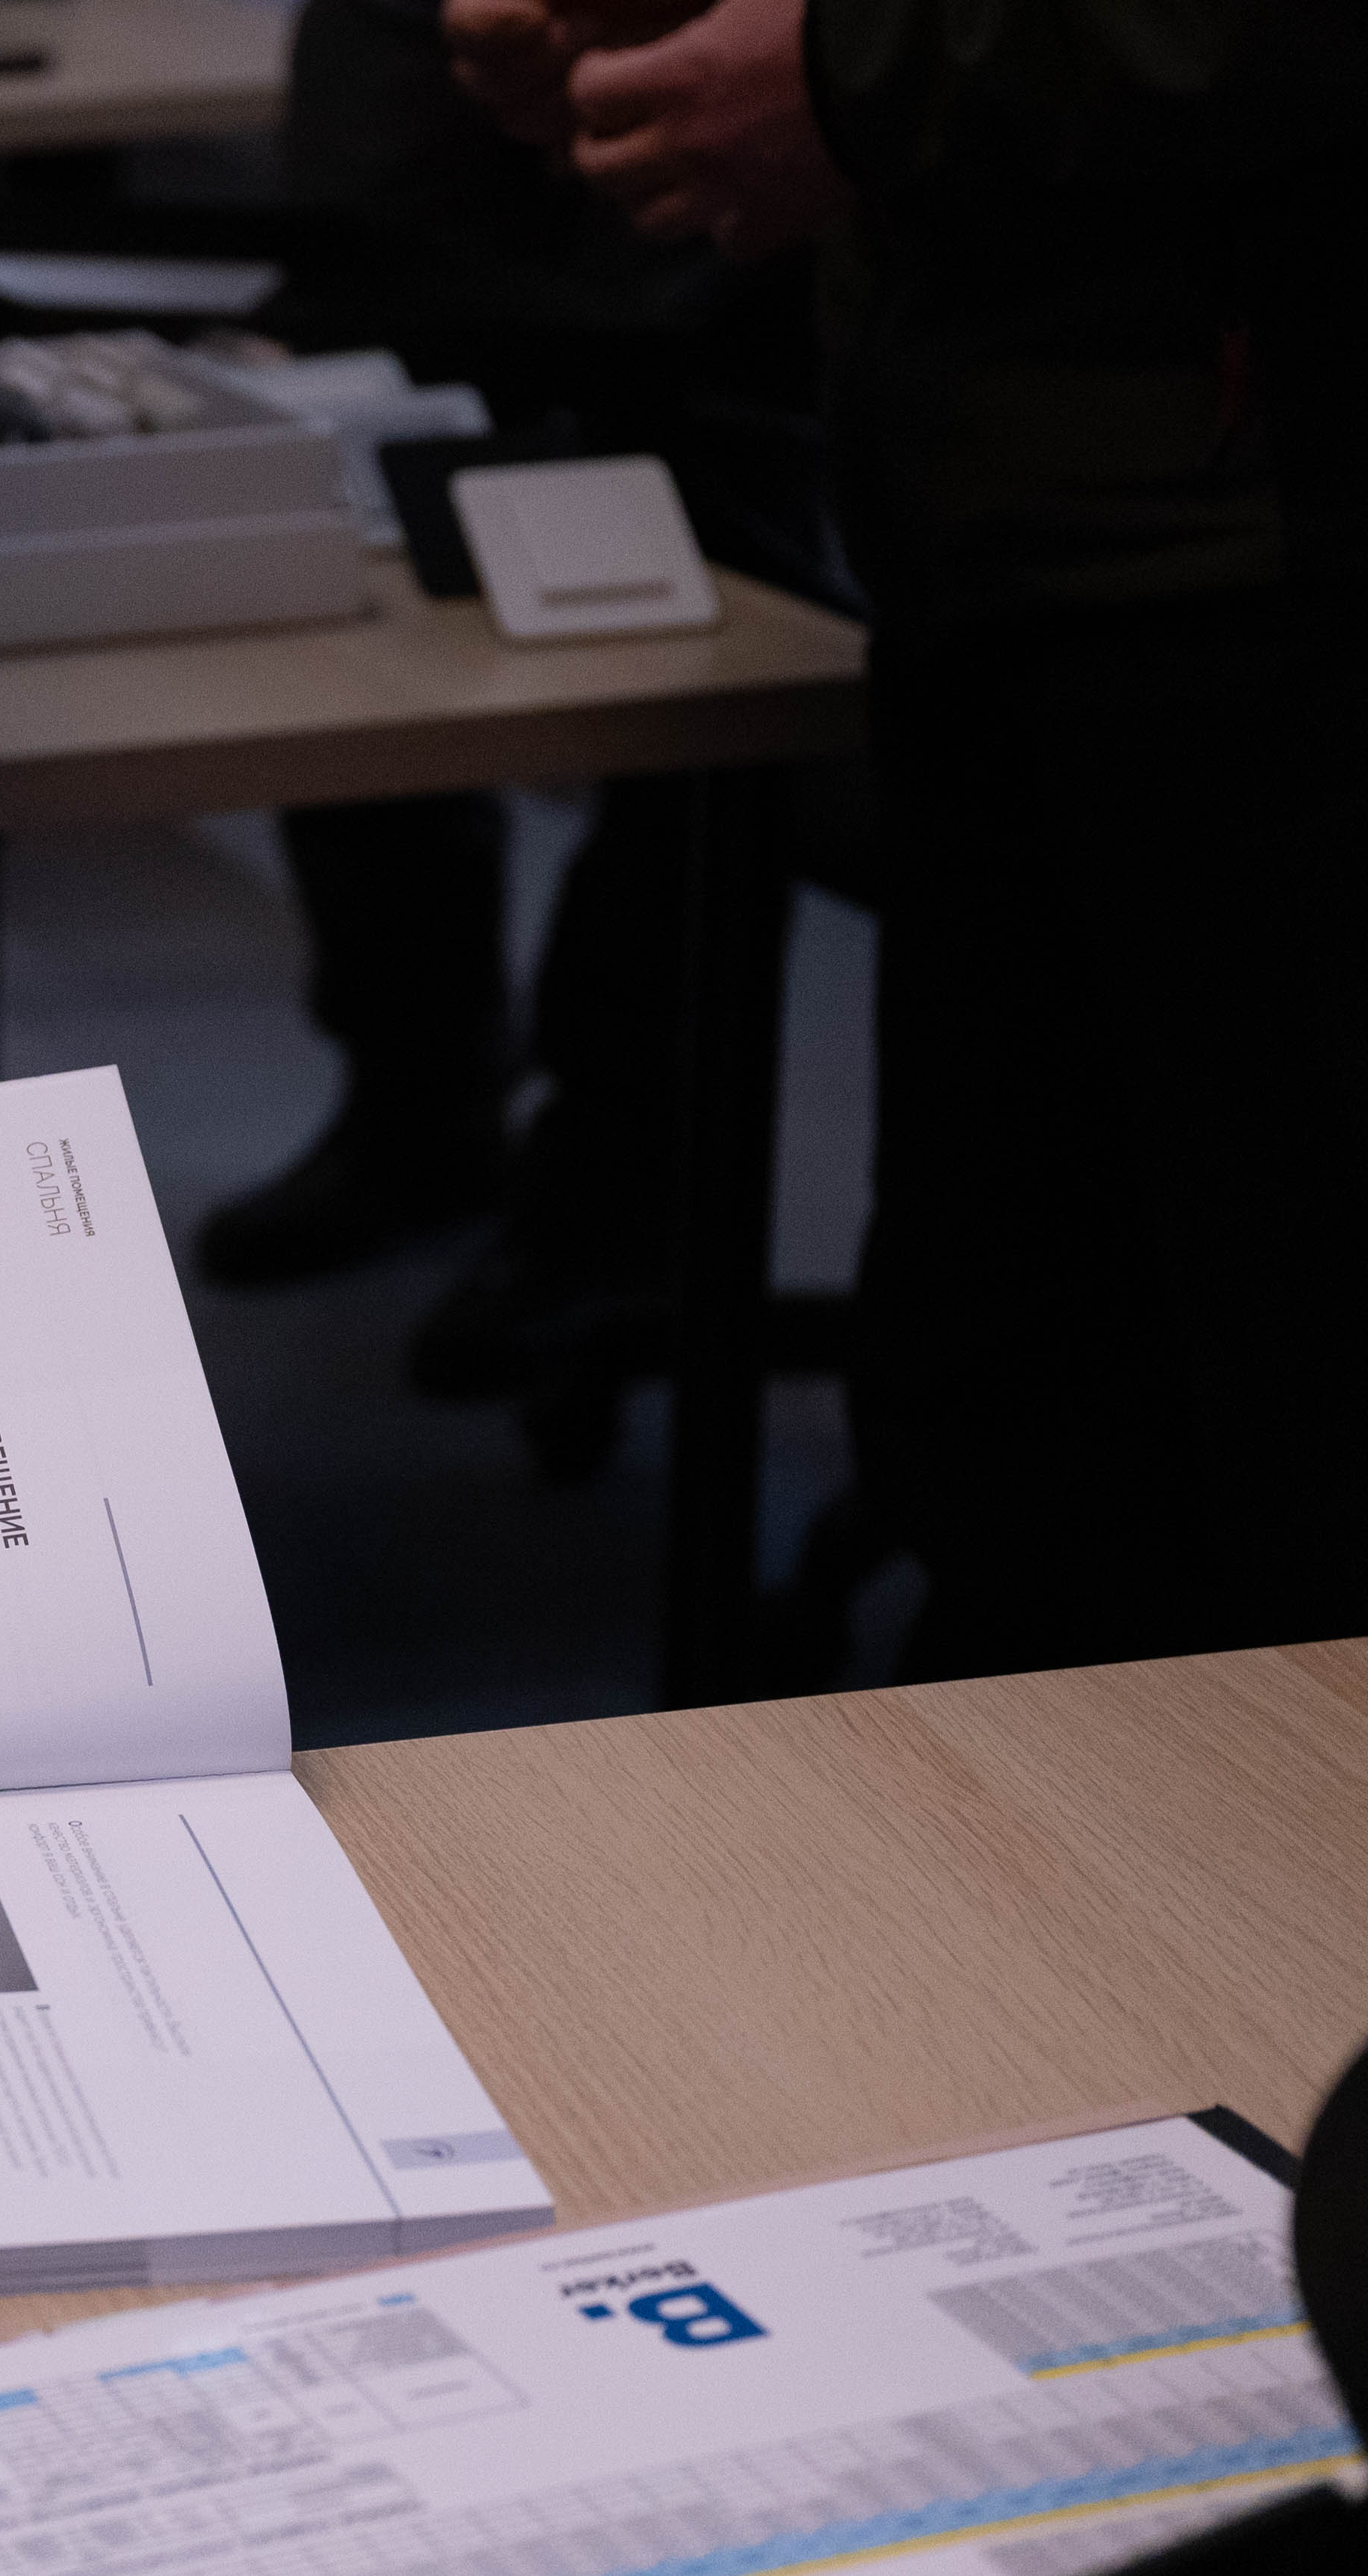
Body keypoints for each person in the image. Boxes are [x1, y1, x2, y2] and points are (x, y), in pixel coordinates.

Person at [442, 0, 1364, 1668]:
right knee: (1012, 1463)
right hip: (1007, 547)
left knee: (1265, 1495)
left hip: (1254, 588)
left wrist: (846, 77)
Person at [196, 0, 822, 1425]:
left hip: (720, 63)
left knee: (700, 623)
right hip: (415, 70)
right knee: (348, 519)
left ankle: (617, 1190)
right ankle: (416, 1104)